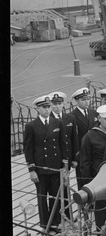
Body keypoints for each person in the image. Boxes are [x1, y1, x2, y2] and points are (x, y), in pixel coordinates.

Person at [23, 94, 65, 228]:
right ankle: (44, 222)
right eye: (43, 107)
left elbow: (63, 145)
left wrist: (64, 166)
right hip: (41, 167)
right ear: (37, 109)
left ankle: (55, 221)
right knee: (42, 196)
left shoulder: (57, 122)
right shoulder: (31, 126)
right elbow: (28, 149)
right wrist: (32, 170)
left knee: (56, 195)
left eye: (48, 107)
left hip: (55, 166)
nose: (47, 110)